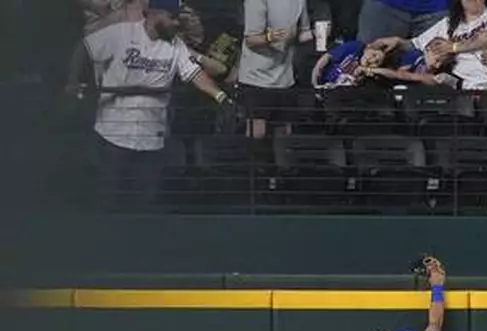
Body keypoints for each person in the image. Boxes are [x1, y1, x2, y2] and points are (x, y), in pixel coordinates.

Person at [68, 0, 236, 212]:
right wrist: (72, 82)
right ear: (153, 13)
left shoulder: (176, 45)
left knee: (141, 205)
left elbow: (195, 74)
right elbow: (85, 47)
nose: (176, 23)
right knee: (105, 202)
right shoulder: (120, 33)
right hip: (113, 134)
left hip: (151, 140)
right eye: (172, 18)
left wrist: (220, 96)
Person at [237, 0, 312, 141]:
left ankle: (284, 163)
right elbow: (251, 40)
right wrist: (270, 37)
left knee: (285, 135)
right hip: (256, 78)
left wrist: (316, 34)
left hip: (285, 77)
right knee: (257, 134)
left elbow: (304, 33)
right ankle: (255, 163)